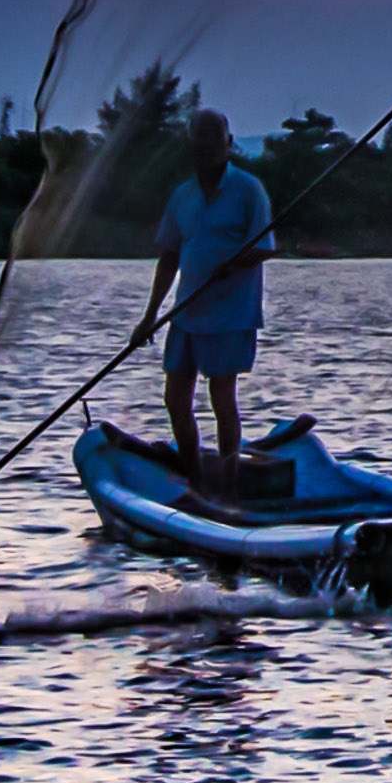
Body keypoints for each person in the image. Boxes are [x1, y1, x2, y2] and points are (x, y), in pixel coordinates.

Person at [133, 109, 277, 496]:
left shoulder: (249, 190)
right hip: (187, 310)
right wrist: (149, 316)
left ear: (229, 144)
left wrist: (233, 263)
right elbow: (169, 257)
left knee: (221, 396)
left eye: (216, 141)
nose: (208, 148)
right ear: (192, 146)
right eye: (201, 142)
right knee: (175, 397)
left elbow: (264, 247)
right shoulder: (182, 195)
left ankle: (228, 483)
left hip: (231, 312)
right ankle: (195, 474)